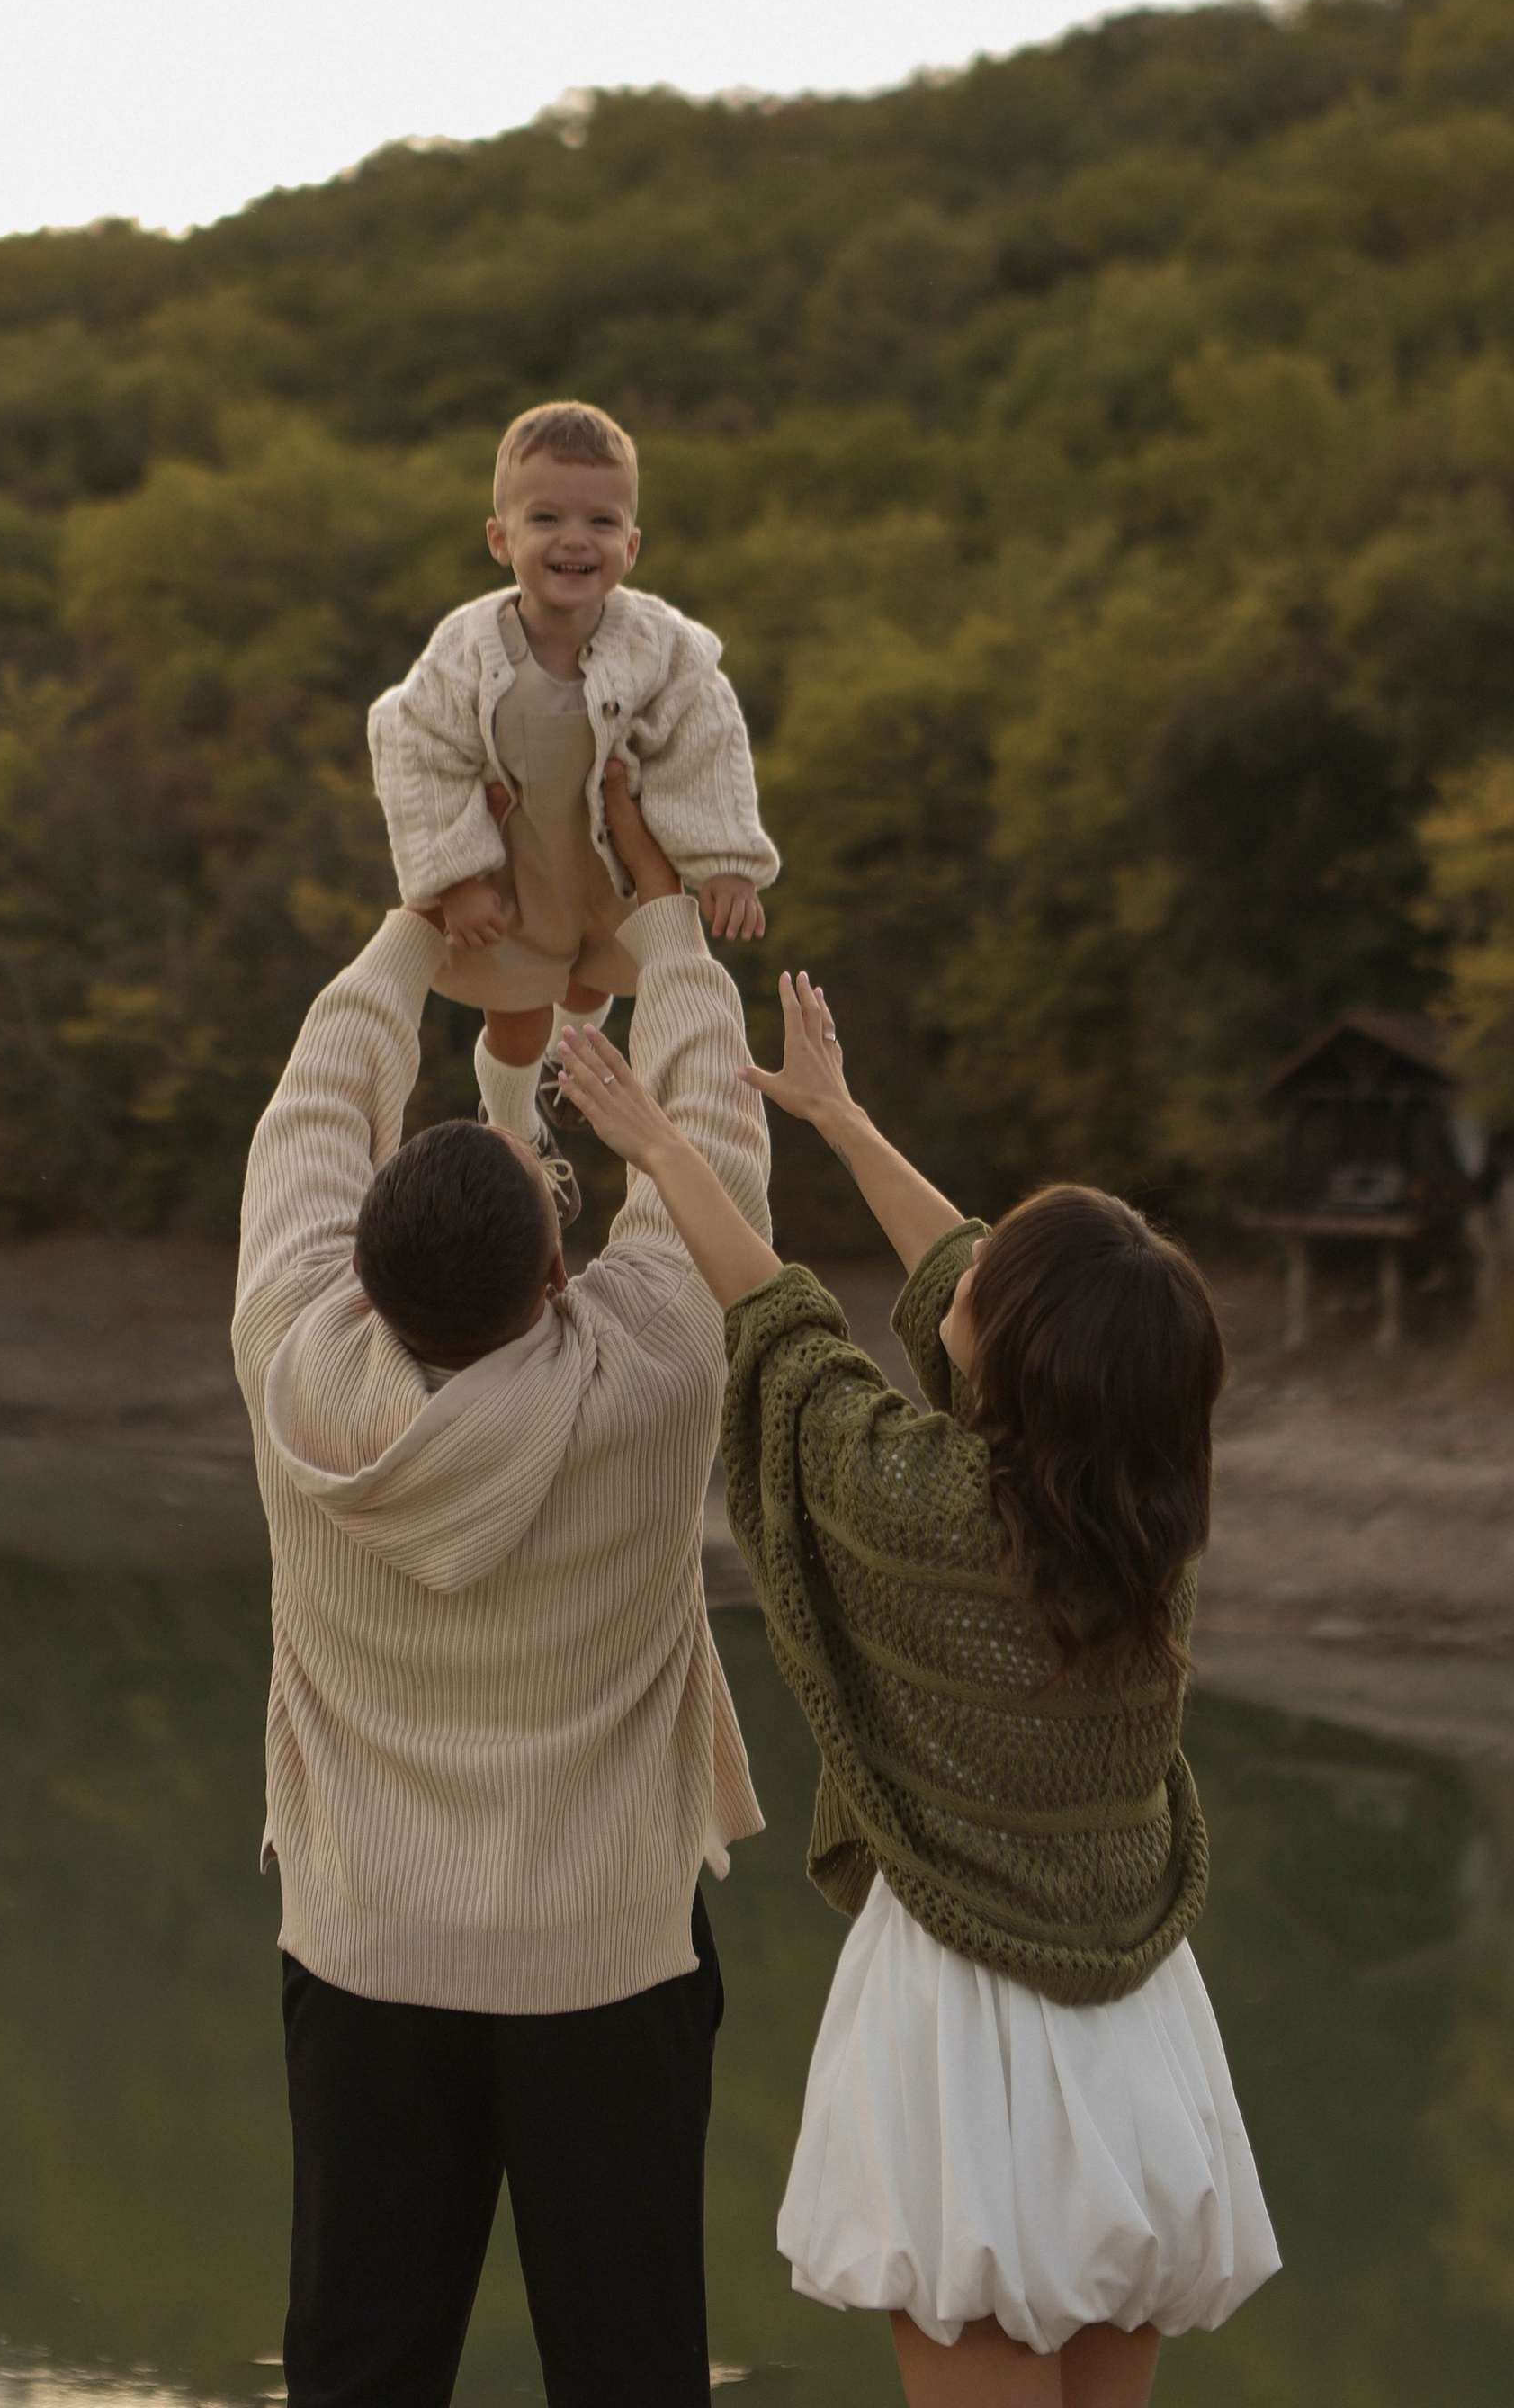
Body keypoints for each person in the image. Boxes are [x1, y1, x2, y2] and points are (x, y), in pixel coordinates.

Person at [551, 769, 1280, 2408]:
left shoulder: (928, 1506)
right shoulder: (1145, 1509)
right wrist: (837, 1114)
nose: (960, 1280)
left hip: (970, 2039)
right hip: (1138, 2041)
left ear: (1003, 1365)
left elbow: (785, 1329)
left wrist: (658, 1136)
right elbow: (967, 1275)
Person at [231, 837, 772, 2406]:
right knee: (630, 2368)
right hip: (607, 1962)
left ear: (362, 1272)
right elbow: (715, 1157)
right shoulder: (655, 1380)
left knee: (358, 2368)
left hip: (364, 1950)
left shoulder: (299, 1372)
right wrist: (664, 919)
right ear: (561, 1268)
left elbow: (312, 1116)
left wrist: (418, 933)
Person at [367, 398, 777, 1199]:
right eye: (545, 516)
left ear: (630, 544)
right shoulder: (469, 651)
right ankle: (515, 1126)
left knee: (592, 986)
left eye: (601, 520)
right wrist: (453, 879)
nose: (573, 539)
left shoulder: (660, 647)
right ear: (501, 539)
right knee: (517, 1017)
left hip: (605, 870)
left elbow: (707, 736)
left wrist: (727, 863)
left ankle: (570, 1058)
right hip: (513, 872)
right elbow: (412, 745)